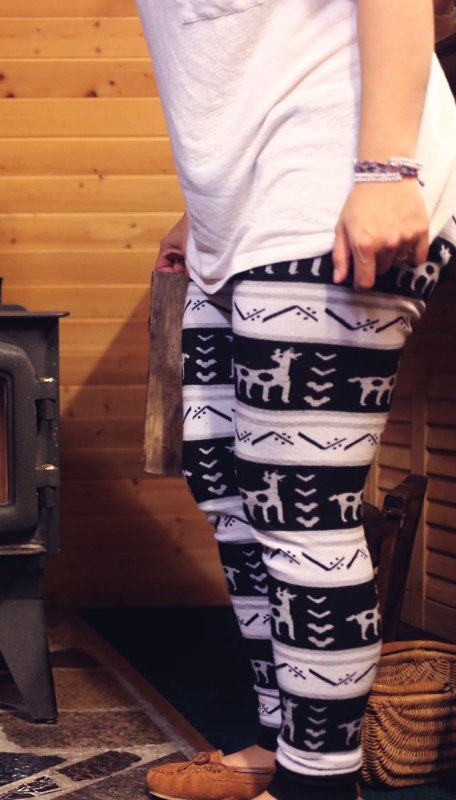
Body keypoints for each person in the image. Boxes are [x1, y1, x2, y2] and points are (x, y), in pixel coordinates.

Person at [133, 3, 456, 800]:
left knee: (300, 507)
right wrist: (206, 214)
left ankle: (317, 787)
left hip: (334, 174)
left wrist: (386, 167)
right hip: (238, 217)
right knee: (224, 486)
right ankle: (286, 748)